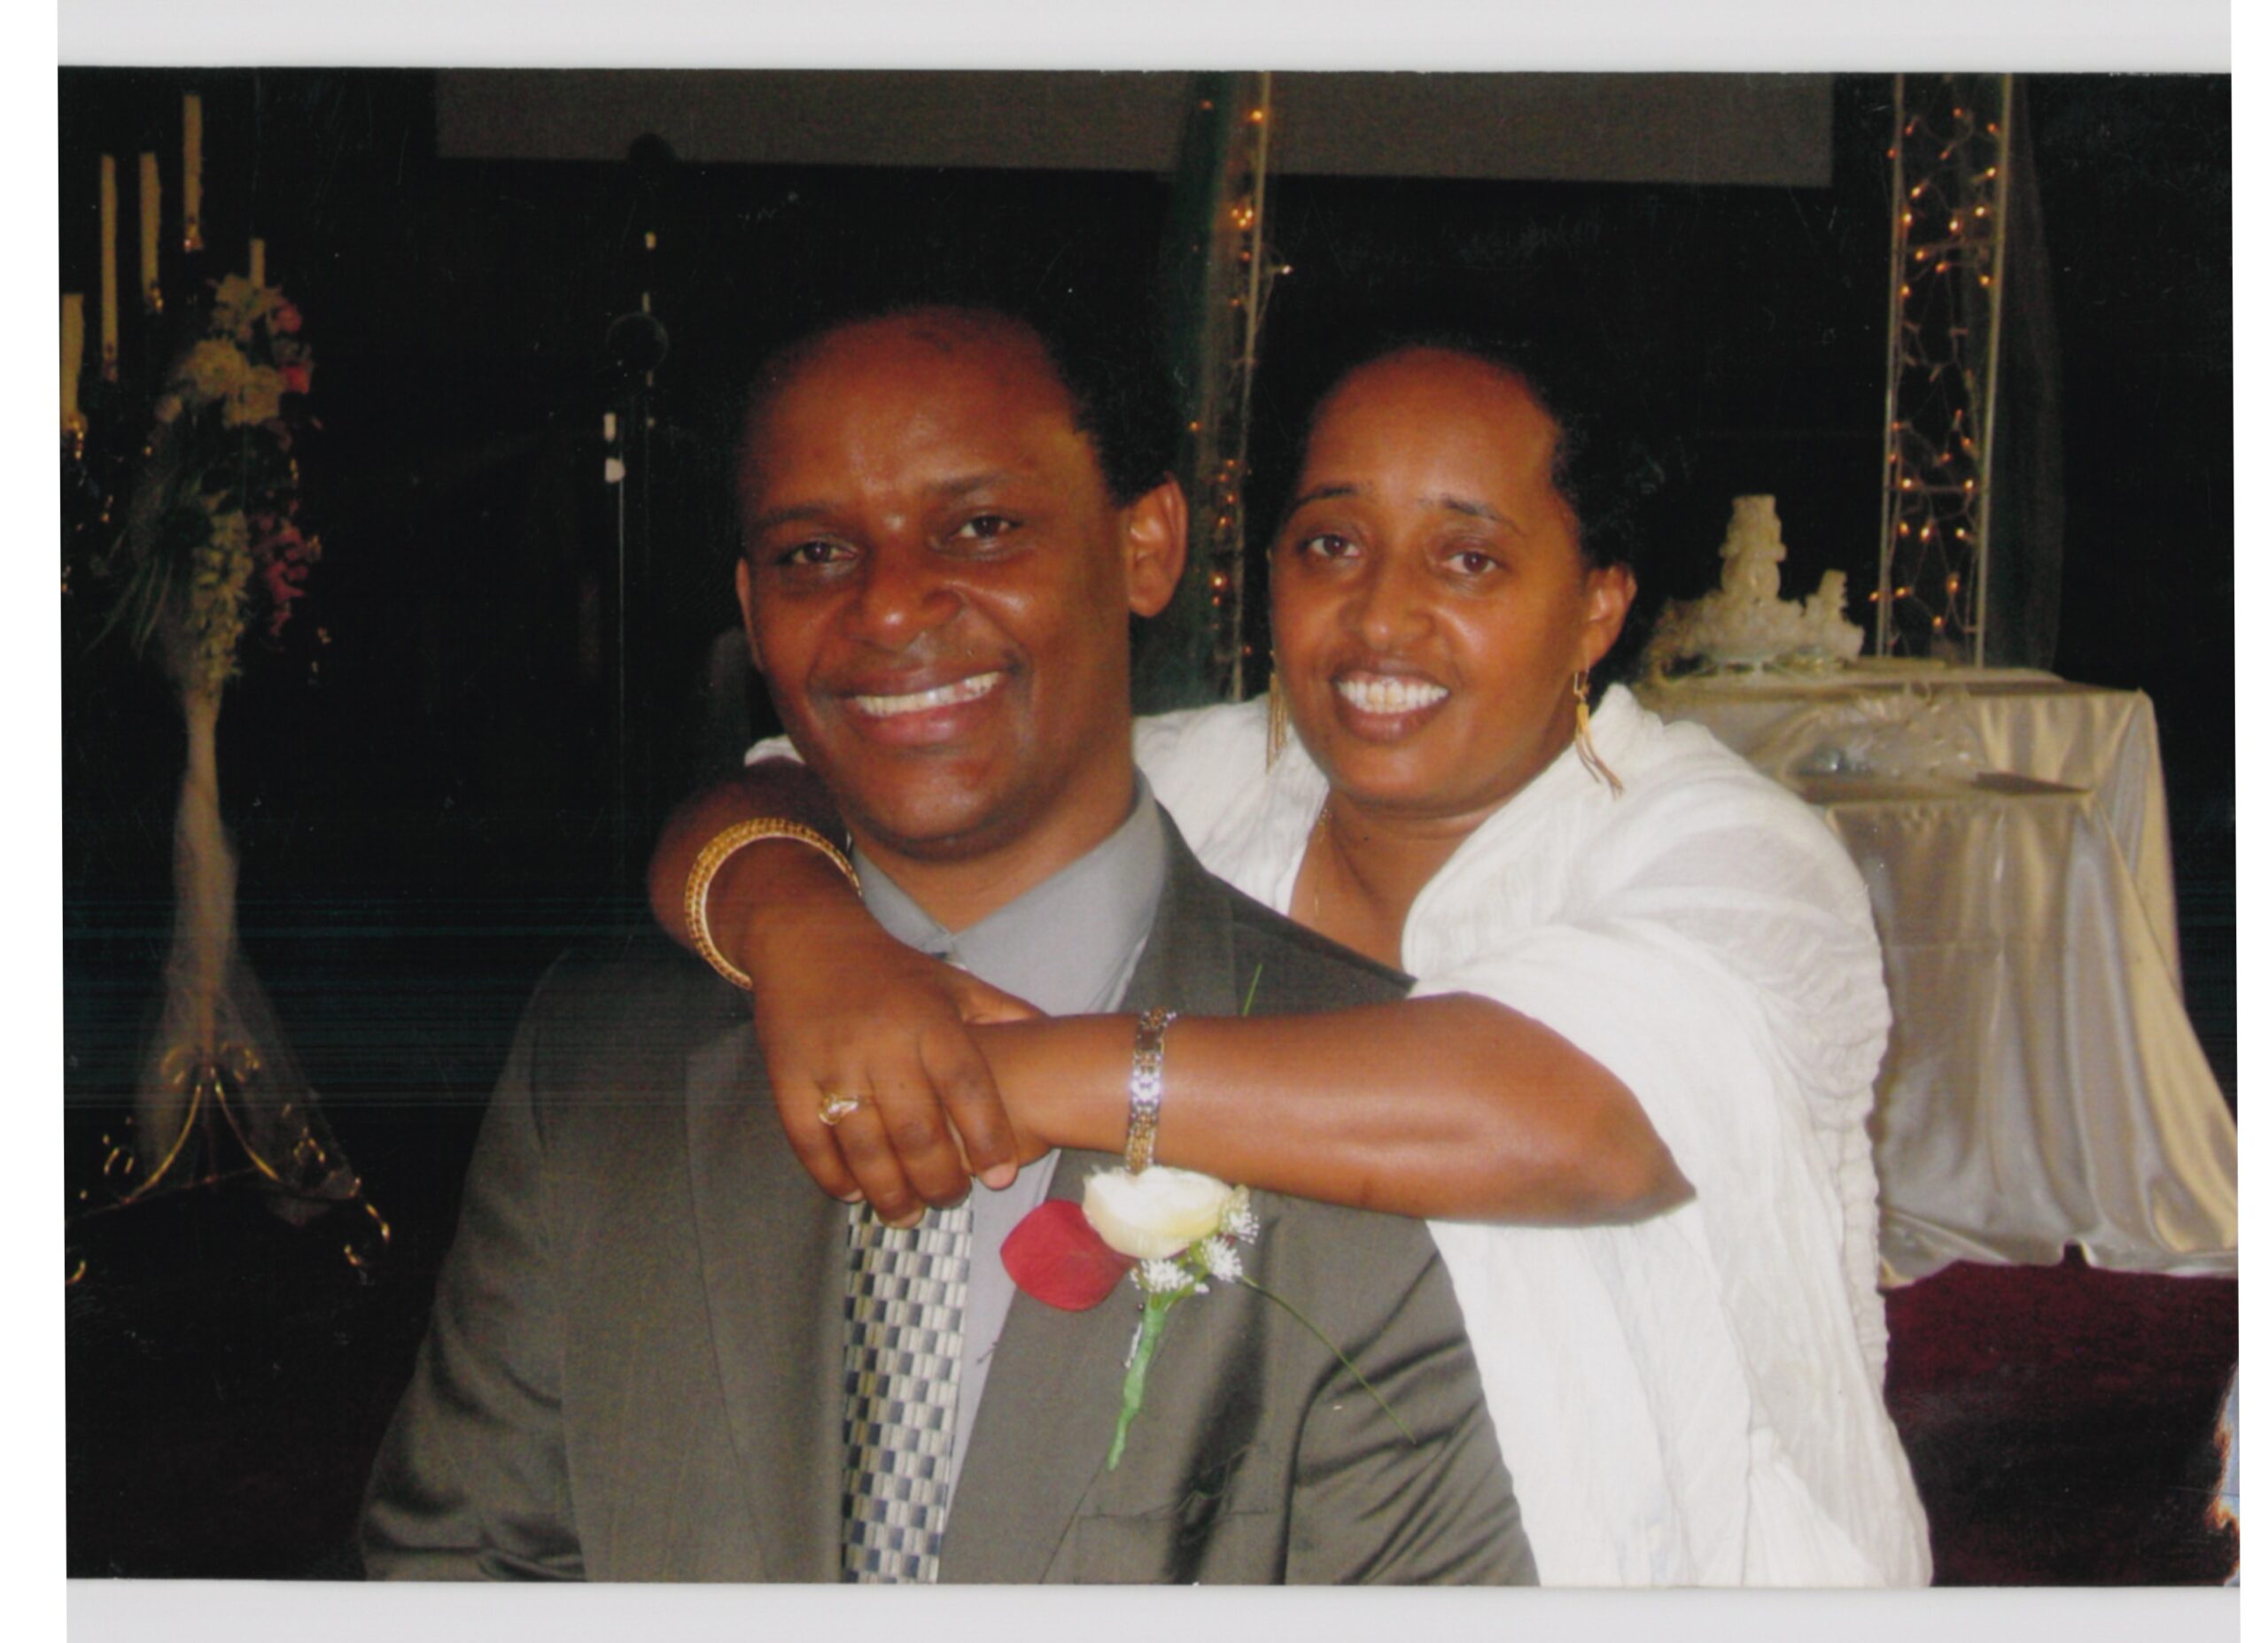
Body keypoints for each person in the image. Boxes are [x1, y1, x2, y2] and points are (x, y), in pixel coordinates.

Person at [652, 329, 1934, 1585]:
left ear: (1597, 603)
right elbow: (779, 794)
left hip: (1669, 1562)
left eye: (1469, 559)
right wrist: (805, 933)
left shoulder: (1729, 849)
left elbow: (1572, 1126)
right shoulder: (1214, 789)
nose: (1381, 616)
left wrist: (1007, 1076)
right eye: (1331, 544)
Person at [361, 303, 1534, 1585]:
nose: (889, 606)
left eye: (981, 529)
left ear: (1145, 546)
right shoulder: (601, 1064)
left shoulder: (1377, 1095)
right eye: (815, 553)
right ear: (751, 611)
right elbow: (457, 1570)